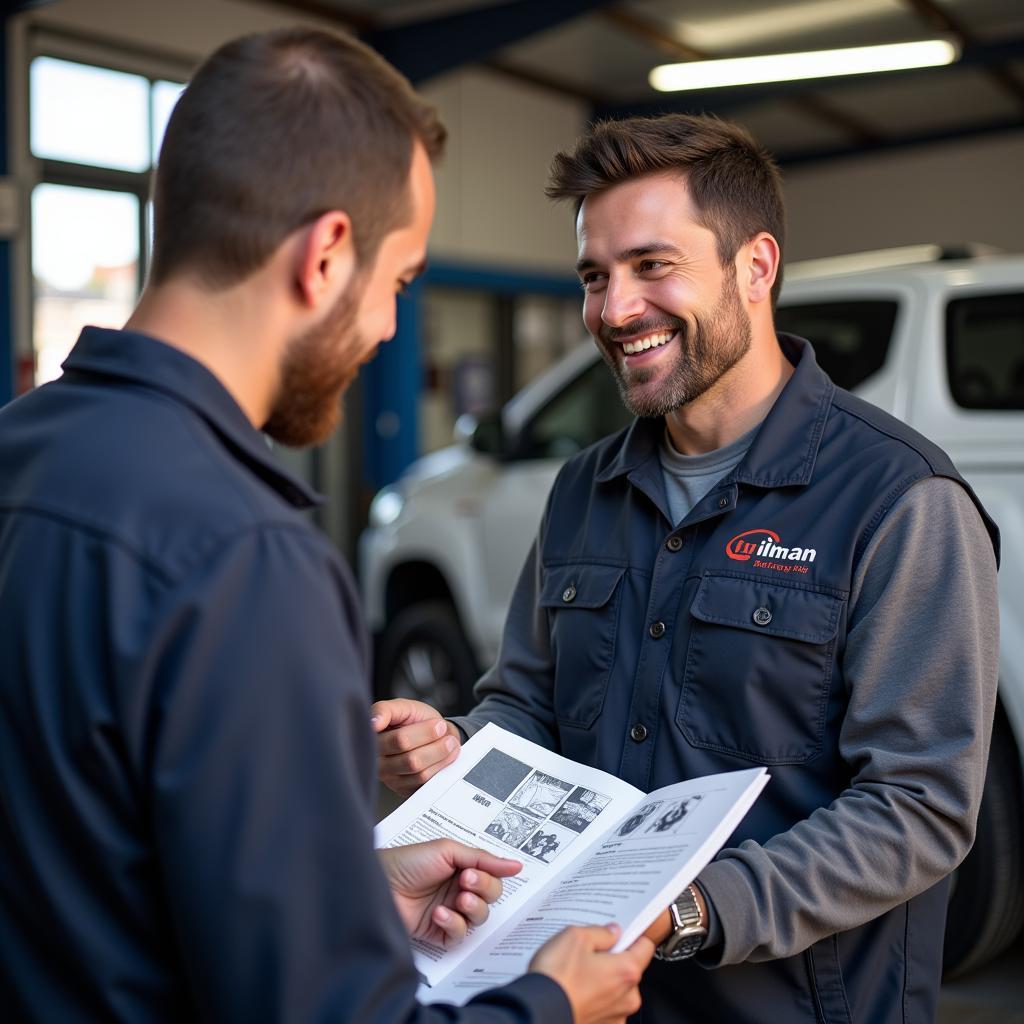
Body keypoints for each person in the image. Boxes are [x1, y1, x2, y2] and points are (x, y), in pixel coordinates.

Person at [0, 28, 654, 1024]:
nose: (392, 326)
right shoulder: (242, 557)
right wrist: (548, 1002)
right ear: (327, 253)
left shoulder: (21, 450)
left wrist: (351, 893)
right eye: (396, 283)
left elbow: (87, 860)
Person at [372, 113, 1001, 1022]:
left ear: (755, 267)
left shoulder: (899, 501)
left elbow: (919, 805)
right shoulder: (583, 489)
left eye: (652, 266)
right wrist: (459, 750)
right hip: (587, 994)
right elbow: (529, 702)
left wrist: (695, 910)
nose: (615, 309)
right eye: (596, 276)